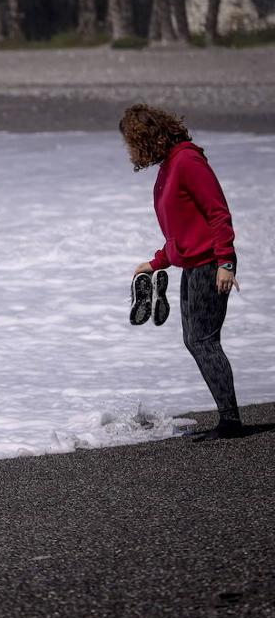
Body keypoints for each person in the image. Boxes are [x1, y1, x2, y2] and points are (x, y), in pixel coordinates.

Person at [121, 104, 243, 441]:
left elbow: (218, 212)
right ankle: (229, 419)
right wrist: (157, 262)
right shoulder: (169, 166)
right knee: (196, 340)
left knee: (203, 340)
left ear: (144, 138)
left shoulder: (187, 161)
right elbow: (181, 227)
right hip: (194, 264)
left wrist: (226, 263)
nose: (130, 152)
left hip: (210, 264)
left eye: (131, 143)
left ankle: (231, 423)